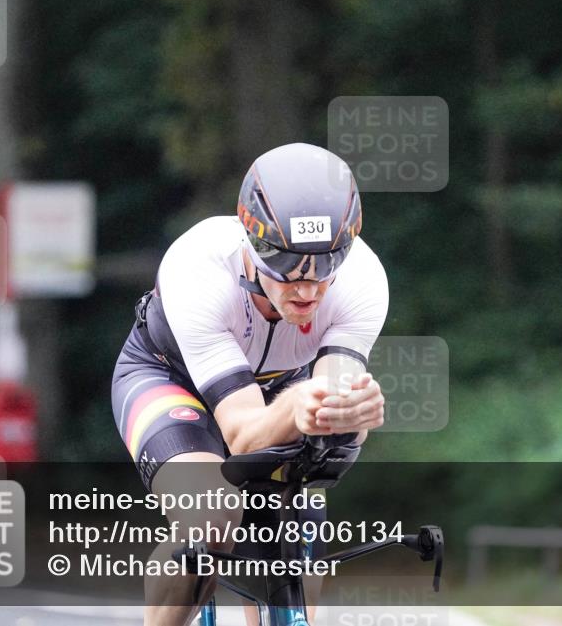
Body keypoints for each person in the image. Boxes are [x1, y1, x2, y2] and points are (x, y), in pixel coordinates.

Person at [111, 142, 388, 626]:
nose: (307, 288)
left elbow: (333, 404)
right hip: (169, 379)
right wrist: (301, 405)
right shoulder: (198, 266)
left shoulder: (363, 278)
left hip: (283, 387)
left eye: (325, 265)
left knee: (297, 538)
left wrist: (353, 413)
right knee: (211, 517)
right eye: (286, 264)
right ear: (251, 243)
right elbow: (242, 433)